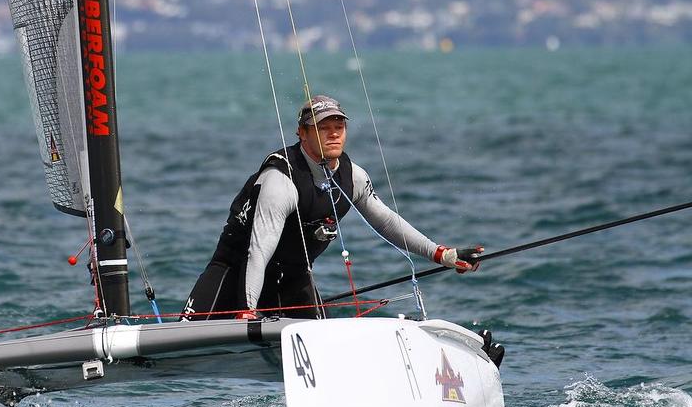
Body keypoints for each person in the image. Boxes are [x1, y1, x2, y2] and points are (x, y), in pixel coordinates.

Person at [181, 95, 483, 320]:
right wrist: (247, 311)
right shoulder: (280, 181)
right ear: (302, 132)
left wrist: (441, 254)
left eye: (339, 125)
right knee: (185, 339)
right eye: (323, 127)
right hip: (236, 274)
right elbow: (257, 251)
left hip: (294, 278)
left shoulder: (353, 177)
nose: (334, 133)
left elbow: (387, 223)